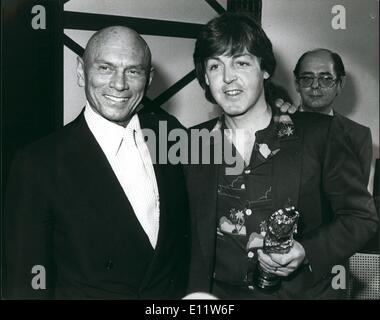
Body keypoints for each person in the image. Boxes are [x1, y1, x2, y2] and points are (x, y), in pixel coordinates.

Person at [185, 12, 378, 299]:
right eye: (215, 66)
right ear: (205, 78)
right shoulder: (191, 143)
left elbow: (361, 217)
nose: (227, 78)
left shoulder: (321, 135)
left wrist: (307, 251)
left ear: (264, 69)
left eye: (241, 62)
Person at [4, 26, 190, 299]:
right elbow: (25, 284)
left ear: (148, 79)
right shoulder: (37, 163)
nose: (119, 84)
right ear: (81, 71)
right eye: (105, 68)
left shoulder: (168, 133)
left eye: (133, 71)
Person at [293, 48, 372, 184]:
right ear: (297, 84)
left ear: (340, 84)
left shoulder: (358, 136)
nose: (315, 85)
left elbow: (356, 198)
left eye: (326, 79)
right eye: (307, 78)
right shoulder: (279, 125)